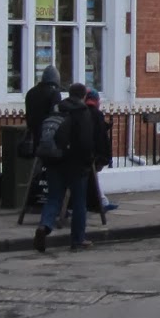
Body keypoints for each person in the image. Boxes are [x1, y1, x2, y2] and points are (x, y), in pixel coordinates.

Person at [33, 83, 96, 254]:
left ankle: (44, 226)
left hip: (54, 161)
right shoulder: (83, 113)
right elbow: (85, 141)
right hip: (75, 164)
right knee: (78, 202)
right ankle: (78, 239)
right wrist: (88, 161)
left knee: (53, 198)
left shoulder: (57, 108)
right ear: (83, 96)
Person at [84, 87, 118, 214]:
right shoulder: (96, 113)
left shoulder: (82, 112)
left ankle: (102, 201)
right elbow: (100, 135)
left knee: (92, 178)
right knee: (92, 177)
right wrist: (106, 157)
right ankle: (101, 202)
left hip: (85, 153)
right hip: (94, 153)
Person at [23, 64, 62, 155]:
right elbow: (55, 115)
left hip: (33, 132)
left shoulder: (31, 92)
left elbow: (28, 114)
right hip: (47, 134)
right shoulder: (54, 93)